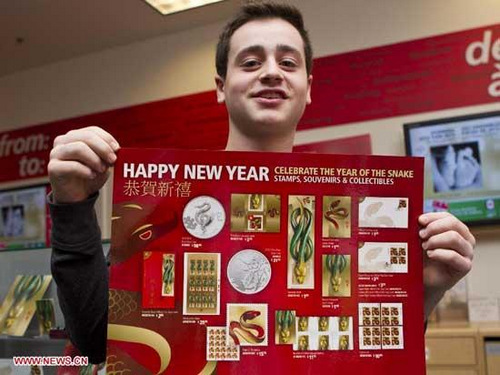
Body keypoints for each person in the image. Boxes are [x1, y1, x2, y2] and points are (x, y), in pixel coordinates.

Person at [47, 1, 475, 365]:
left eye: (288, 62)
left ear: (308, 88)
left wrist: (425, 292)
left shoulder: (348, 214)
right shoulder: (166, 202)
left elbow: (363, 351)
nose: (271, 72)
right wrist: (72, 206)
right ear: (221, 87)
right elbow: (93, 341)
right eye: (250, 62)